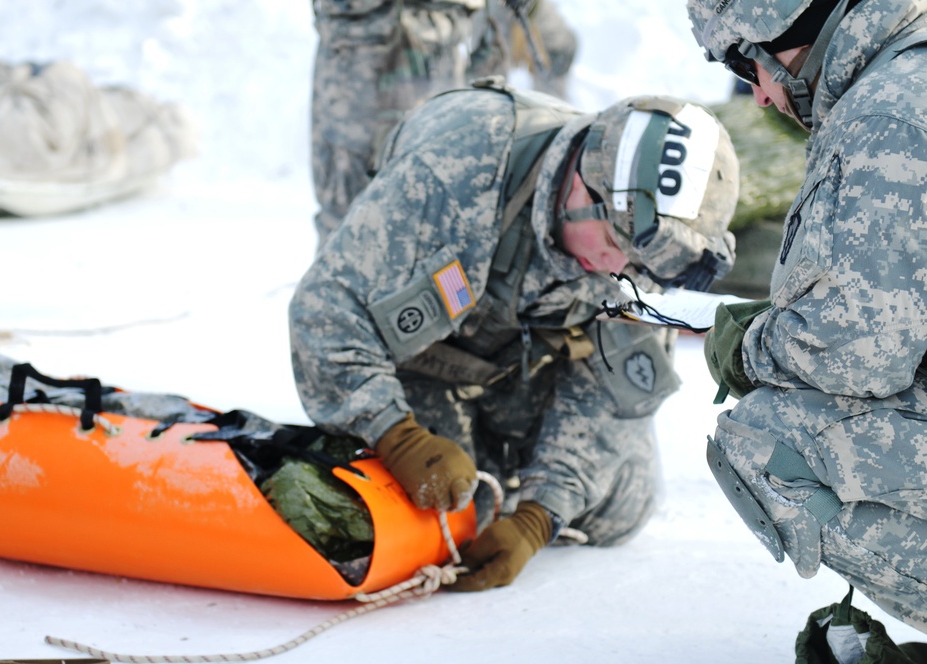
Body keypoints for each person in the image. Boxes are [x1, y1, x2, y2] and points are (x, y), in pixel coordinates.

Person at [290, 79, 740, 591]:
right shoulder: (458, 166)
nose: (617, 265)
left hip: (521, 366)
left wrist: (538, 518)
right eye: (614, 240)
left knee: (620, 505)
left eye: (636, 259)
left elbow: (615, 389)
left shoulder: (643, 245)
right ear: (580, 183)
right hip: (418, 365)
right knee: (447, 517)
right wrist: (396, 435)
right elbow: (325, 312)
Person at [687, 0, 927, 632]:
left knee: (770, 436)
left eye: (748, 69)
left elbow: (861, 351)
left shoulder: (883, 118)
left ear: (782, 37)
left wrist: (747, 350)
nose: (760, 98)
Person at [309, 0, 578, 247]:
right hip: (366, 50)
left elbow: (556, 47)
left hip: (443, 48)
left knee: (432, 226)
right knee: (348, 226)